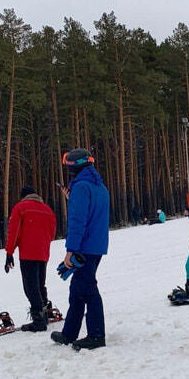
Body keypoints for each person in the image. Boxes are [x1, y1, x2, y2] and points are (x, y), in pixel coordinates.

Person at [51, 148, 110, 350]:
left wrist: (71, 249)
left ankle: (96, 335)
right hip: (97, 246)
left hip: (84, 246)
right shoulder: (99, 187)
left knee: (88, 290)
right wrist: (72, 198)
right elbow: (93, 214)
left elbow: (78, 221)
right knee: (77, 289)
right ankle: (69, 333)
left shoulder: (81, 187)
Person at [4, 185, 57, 332]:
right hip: (43, 252)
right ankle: (45, 313)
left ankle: (38, 320)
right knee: (40, 284)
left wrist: (9, 253)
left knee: (30, 287)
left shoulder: (20, 208)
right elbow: (52, 233)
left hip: (28, 253)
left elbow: (13, 231)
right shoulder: (47, 209)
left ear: (24, 196)